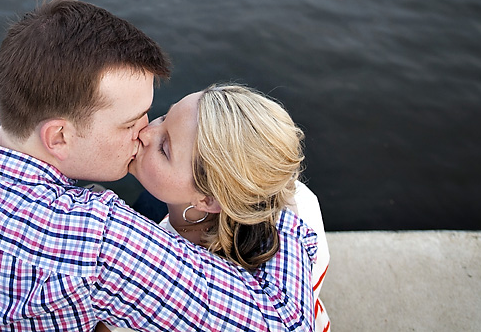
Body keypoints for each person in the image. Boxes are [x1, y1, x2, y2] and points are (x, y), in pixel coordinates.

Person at [0, 0, 318, 331]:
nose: (145, 132)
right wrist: (273, 201)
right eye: (130, 123)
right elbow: (281, 323)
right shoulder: (96, 243)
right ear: (59, 137)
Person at [101, 84, 330, 332]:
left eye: (164, 149)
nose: (146, 133)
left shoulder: (192, 286)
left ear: (209, 200)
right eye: (165, 116)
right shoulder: (295, 197)